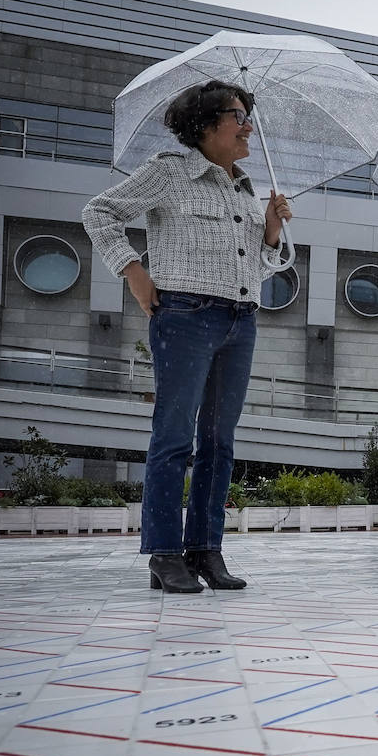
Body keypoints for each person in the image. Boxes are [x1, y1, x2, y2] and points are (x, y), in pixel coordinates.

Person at [82, 80, 292, 592]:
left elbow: (263, 267)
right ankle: (163, 553)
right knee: (174, 438)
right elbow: (99, 212)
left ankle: (206, 549)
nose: (247, 126)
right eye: (238, 115)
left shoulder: (246, 189)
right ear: (204, 124)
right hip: (185, 317)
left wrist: (269, 230)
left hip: (241, 319)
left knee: (219, 443)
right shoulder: (169, 172)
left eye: (249, 116)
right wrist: (133, 271)